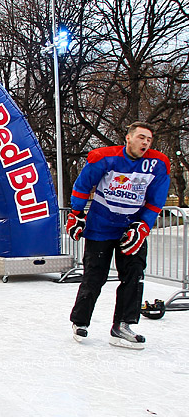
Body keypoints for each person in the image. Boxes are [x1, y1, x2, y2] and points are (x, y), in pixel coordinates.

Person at [66, 121, 171, 349]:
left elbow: (156, 200)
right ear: (128, 138)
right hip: (101, 226)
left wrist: (143, 225)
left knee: (134, 275)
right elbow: (83, 185)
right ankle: (80, 321)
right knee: (95, 276)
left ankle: (122, 325)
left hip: (130, 228)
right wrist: (76, 213)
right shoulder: (104, 158)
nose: (145, 142)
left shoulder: (158, 164)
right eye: (141, 137)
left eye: (149, 139)